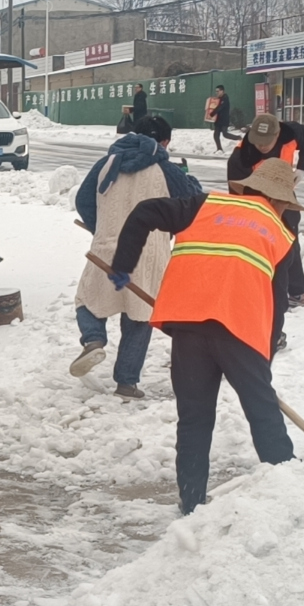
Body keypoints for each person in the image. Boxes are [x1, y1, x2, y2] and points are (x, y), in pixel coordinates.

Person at [109, 163, 303, 514]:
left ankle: (191, 502)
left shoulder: (203, 205)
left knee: (195, 418)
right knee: (263, 413)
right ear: (280, 201)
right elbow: (276, 308)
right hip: (240, 331)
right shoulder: (281, 234)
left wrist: (124, 263)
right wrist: (263, 365)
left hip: (188, 326)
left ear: (247, 189)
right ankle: (288, 494)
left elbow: (145, 212)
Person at [72, 115, 201, 399]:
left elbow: (83, 200)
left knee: (88, 299)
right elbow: (191, 205)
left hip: (106, 247)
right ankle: (126, 383)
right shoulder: (167, 170)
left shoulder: (106, 164)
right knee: (140, 316)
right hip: (150, 251)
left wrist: (101, 225)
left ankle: (93, 339)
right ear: (165, 142)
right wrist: (189, 180)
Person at [228, 114, 304, 339]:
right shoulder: (242, 155)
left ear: (277, 134)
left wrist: (302, 169)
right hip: (255, 197)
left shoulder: (291, 132)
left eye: (266, 142)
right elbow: (237, 191)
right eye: (257, 141)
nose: (260, 146)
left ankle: (296, 291)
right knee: (259, 243)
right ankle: (256, 290)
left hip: (281, 192)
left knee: (289, 238)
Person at [206, 85, 233, 151]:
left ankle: (239, 138)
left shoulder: (225, 98)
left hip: (224, 120)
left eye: (218, 91)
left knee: (225, 134)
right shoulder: (218, 99)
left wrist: (212, 114)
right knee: (216, 135)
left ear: (222, 91)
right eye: (216, 91)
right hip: (218, 120)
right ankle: (219, 149)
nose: (216, 93)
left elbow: (219, 108)